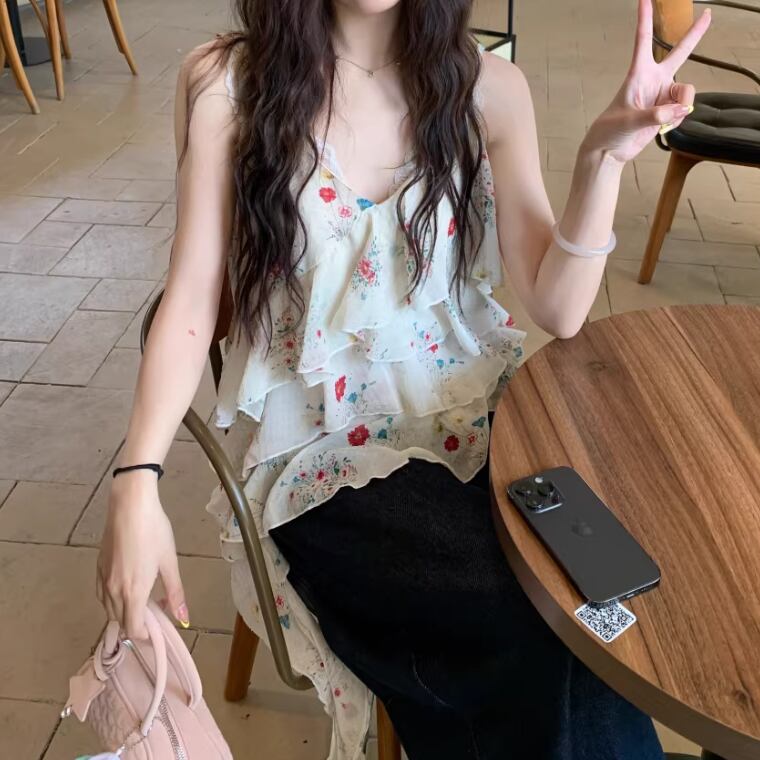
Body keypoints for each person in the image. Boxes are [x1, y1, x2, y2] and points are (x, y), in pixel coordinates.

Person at [96, 1, 710, 757]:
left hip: (490, 426)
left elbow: (559, 306)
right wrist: (137, 478)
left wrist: (602, 161)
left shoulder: (488, 88)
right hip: (327, 460)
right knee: (531, 626)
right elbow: (194, 301)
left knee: (601, 598)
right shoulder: (229, 84)